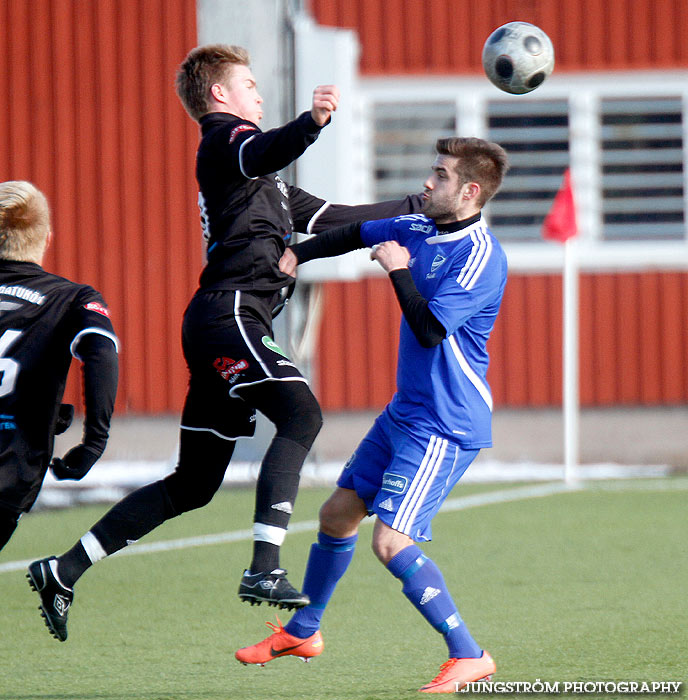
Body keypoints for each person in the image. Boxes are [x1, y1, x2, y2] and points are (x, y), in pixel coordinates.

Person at [28, 44, 423, 642]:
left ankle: (62, 569)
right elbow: (260, 145)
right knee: (301, 413)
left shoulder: (264, 182)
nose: (259, 95)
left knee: (193, 484)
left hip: (219, 320)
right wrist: (310, 124)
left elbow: (345, 221)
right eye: (250, 84)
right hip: (232, 314)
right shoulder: (223, 141)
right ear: (219, 96)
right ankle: (265, 568)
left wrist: (422, 208)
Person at [235, 136, 509, 694]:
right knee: (336, 516)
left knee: (390, 542)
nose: (428, 183)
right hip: (406, 413)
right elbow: (350, 234)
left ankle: (470, 654)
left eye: (440, 176)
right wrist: (297, 254)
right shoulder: (417, 227)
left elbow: (431, 331)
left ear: (470, 191)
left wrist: (397, 272)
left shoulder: (482, 256)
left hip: (445, 423)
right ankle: (304, 630)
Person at [0, 180, 118, 558]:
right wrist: (94, 442)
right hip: (9, 470)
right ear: (47, 238)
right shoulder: (73, 299)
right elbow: (101, 353)